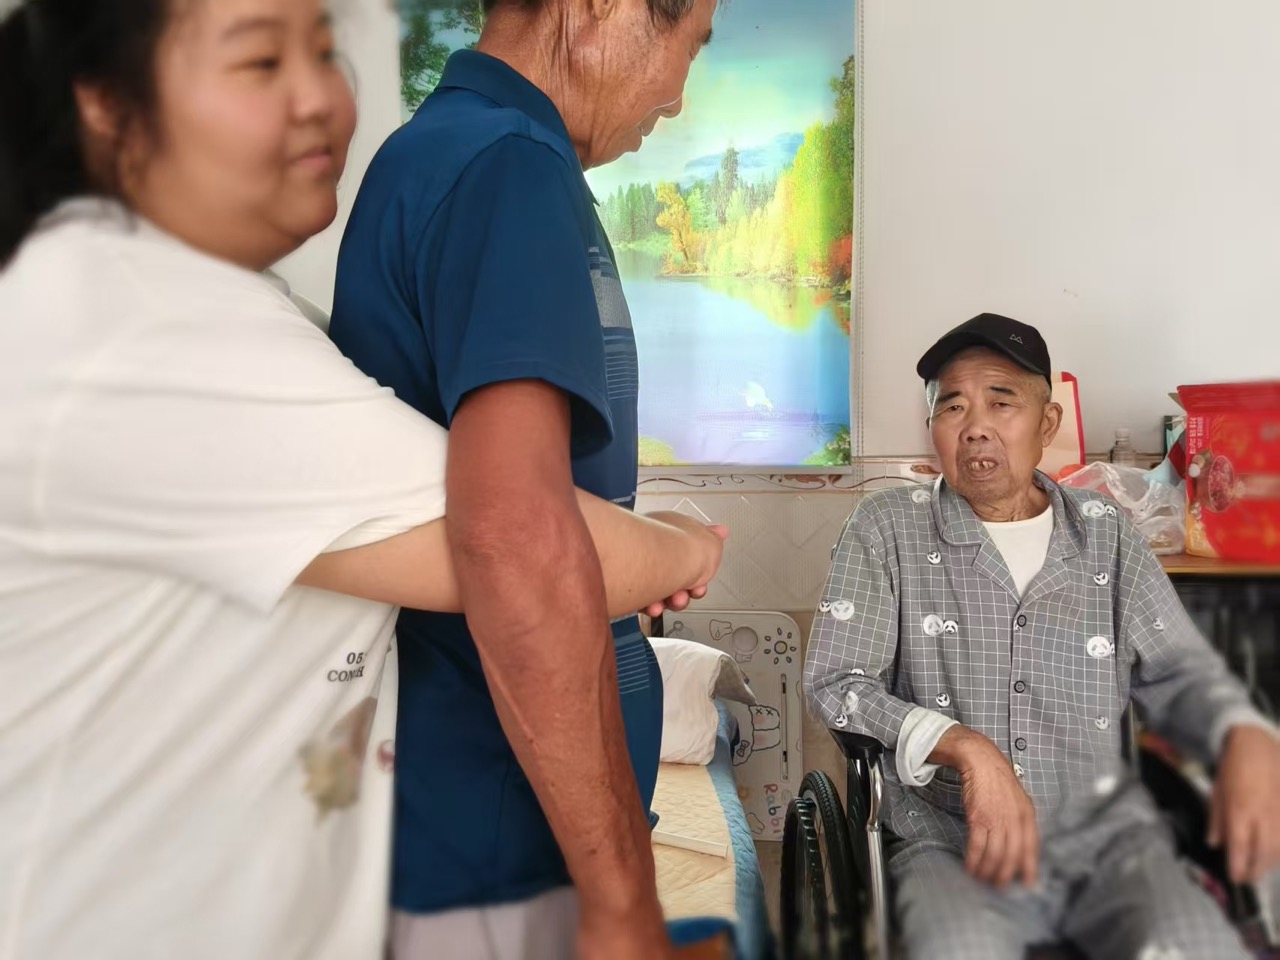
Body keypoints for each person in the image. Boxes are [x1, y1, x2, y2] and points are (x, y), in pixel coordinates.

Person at [0, 2, 725, 959]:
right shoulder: (148, 345)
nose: (327, 99)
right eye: (260, 64)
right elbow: (515, 541)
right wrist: (688, 549)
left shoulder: (245, 318)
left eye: (321, 51)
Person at [328, 1, 717, 956]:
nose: (677, 94)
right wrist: (621, 897)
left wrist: (651, 544)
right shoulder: (507, 165)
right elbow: (513, 540)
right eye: (690, 43)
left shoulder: (466, 152)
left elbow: (518, 501)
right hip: (496, 836)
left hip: (487, 818)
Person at [805, 312, 1280, 960]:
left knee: (1199, 946)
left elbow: (1180, 672)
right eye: (953, 406)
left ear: (1047, 423)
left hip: (1108, 845)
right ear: (933, 426)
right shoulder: (886, 527)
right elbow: (837, 682)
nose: (975, 425)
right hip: (948, 841)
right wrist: (966, 747)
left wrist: (1239, 732)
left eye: (1001, 402)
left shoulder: (1103, 530)